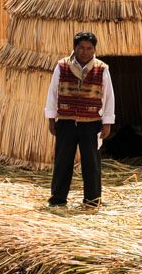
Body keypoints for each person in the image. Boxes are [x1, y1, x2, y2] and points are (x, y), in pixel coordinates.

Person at [45, 31, 115, 208]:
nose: (85, 52)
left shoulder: (102, 68)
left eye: (89, 48)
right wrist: (51, 119)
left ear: (94, 49)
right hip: (66, 122)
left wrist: (107, 122)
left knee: (91, 163)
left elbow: (108, 97)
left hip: (91, 123)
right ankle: (58, 199)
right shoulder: (62, 66)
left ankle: (92, 200)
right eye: (81, 48)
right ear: (74, 48)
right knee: (63, 161)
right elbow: (53, 93)